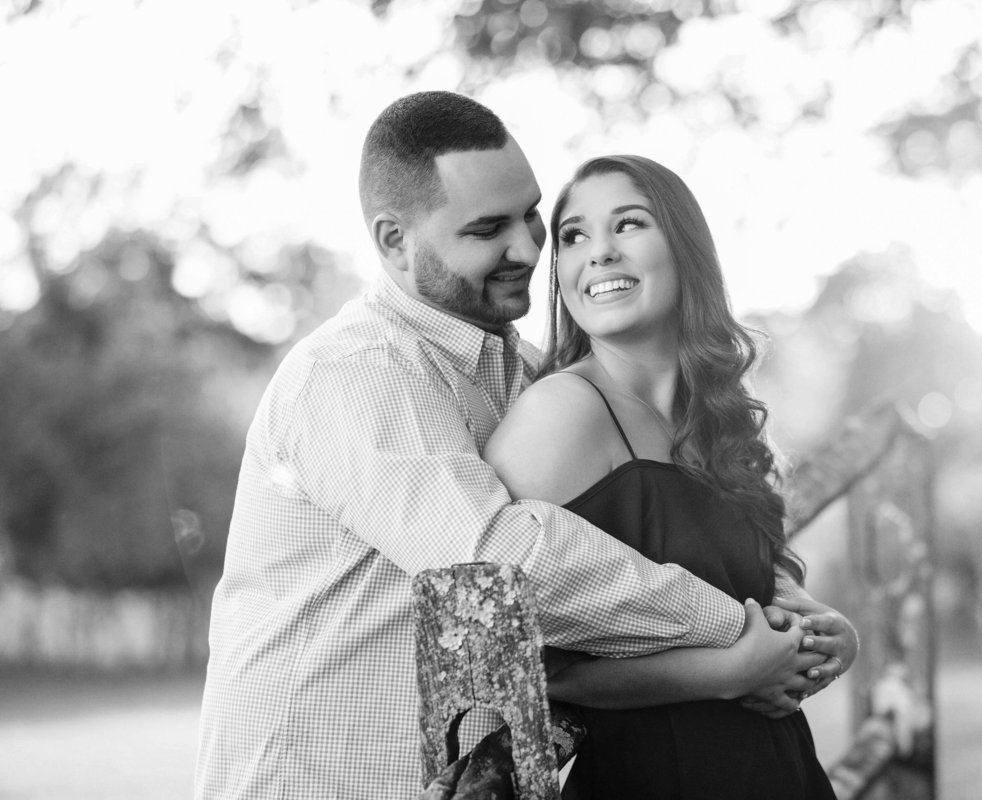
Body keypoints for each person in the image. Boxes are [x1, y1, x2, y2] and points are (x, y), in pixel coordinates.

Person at [195, 91, 853, 799]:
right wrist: (742, 635)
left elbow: (661, 535)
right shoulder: (357, 373)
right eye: (487, 230)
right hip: (324, 779)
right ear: (393, 242)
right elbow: (498, 564)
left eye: (532, 215)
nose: (527, 249)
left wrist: (800, 617)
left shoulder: (521, 370)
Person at [484, 154, 843, 798]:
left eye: (628, 224)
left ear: (684, 249)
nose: (598, 253)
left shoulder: (717, 418)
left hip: (779, 769)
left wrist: (823, 629)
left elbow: (744, 583)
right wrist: (726, 672)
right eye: (574, 236)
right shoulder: (561, 413)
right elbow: (526, 660)